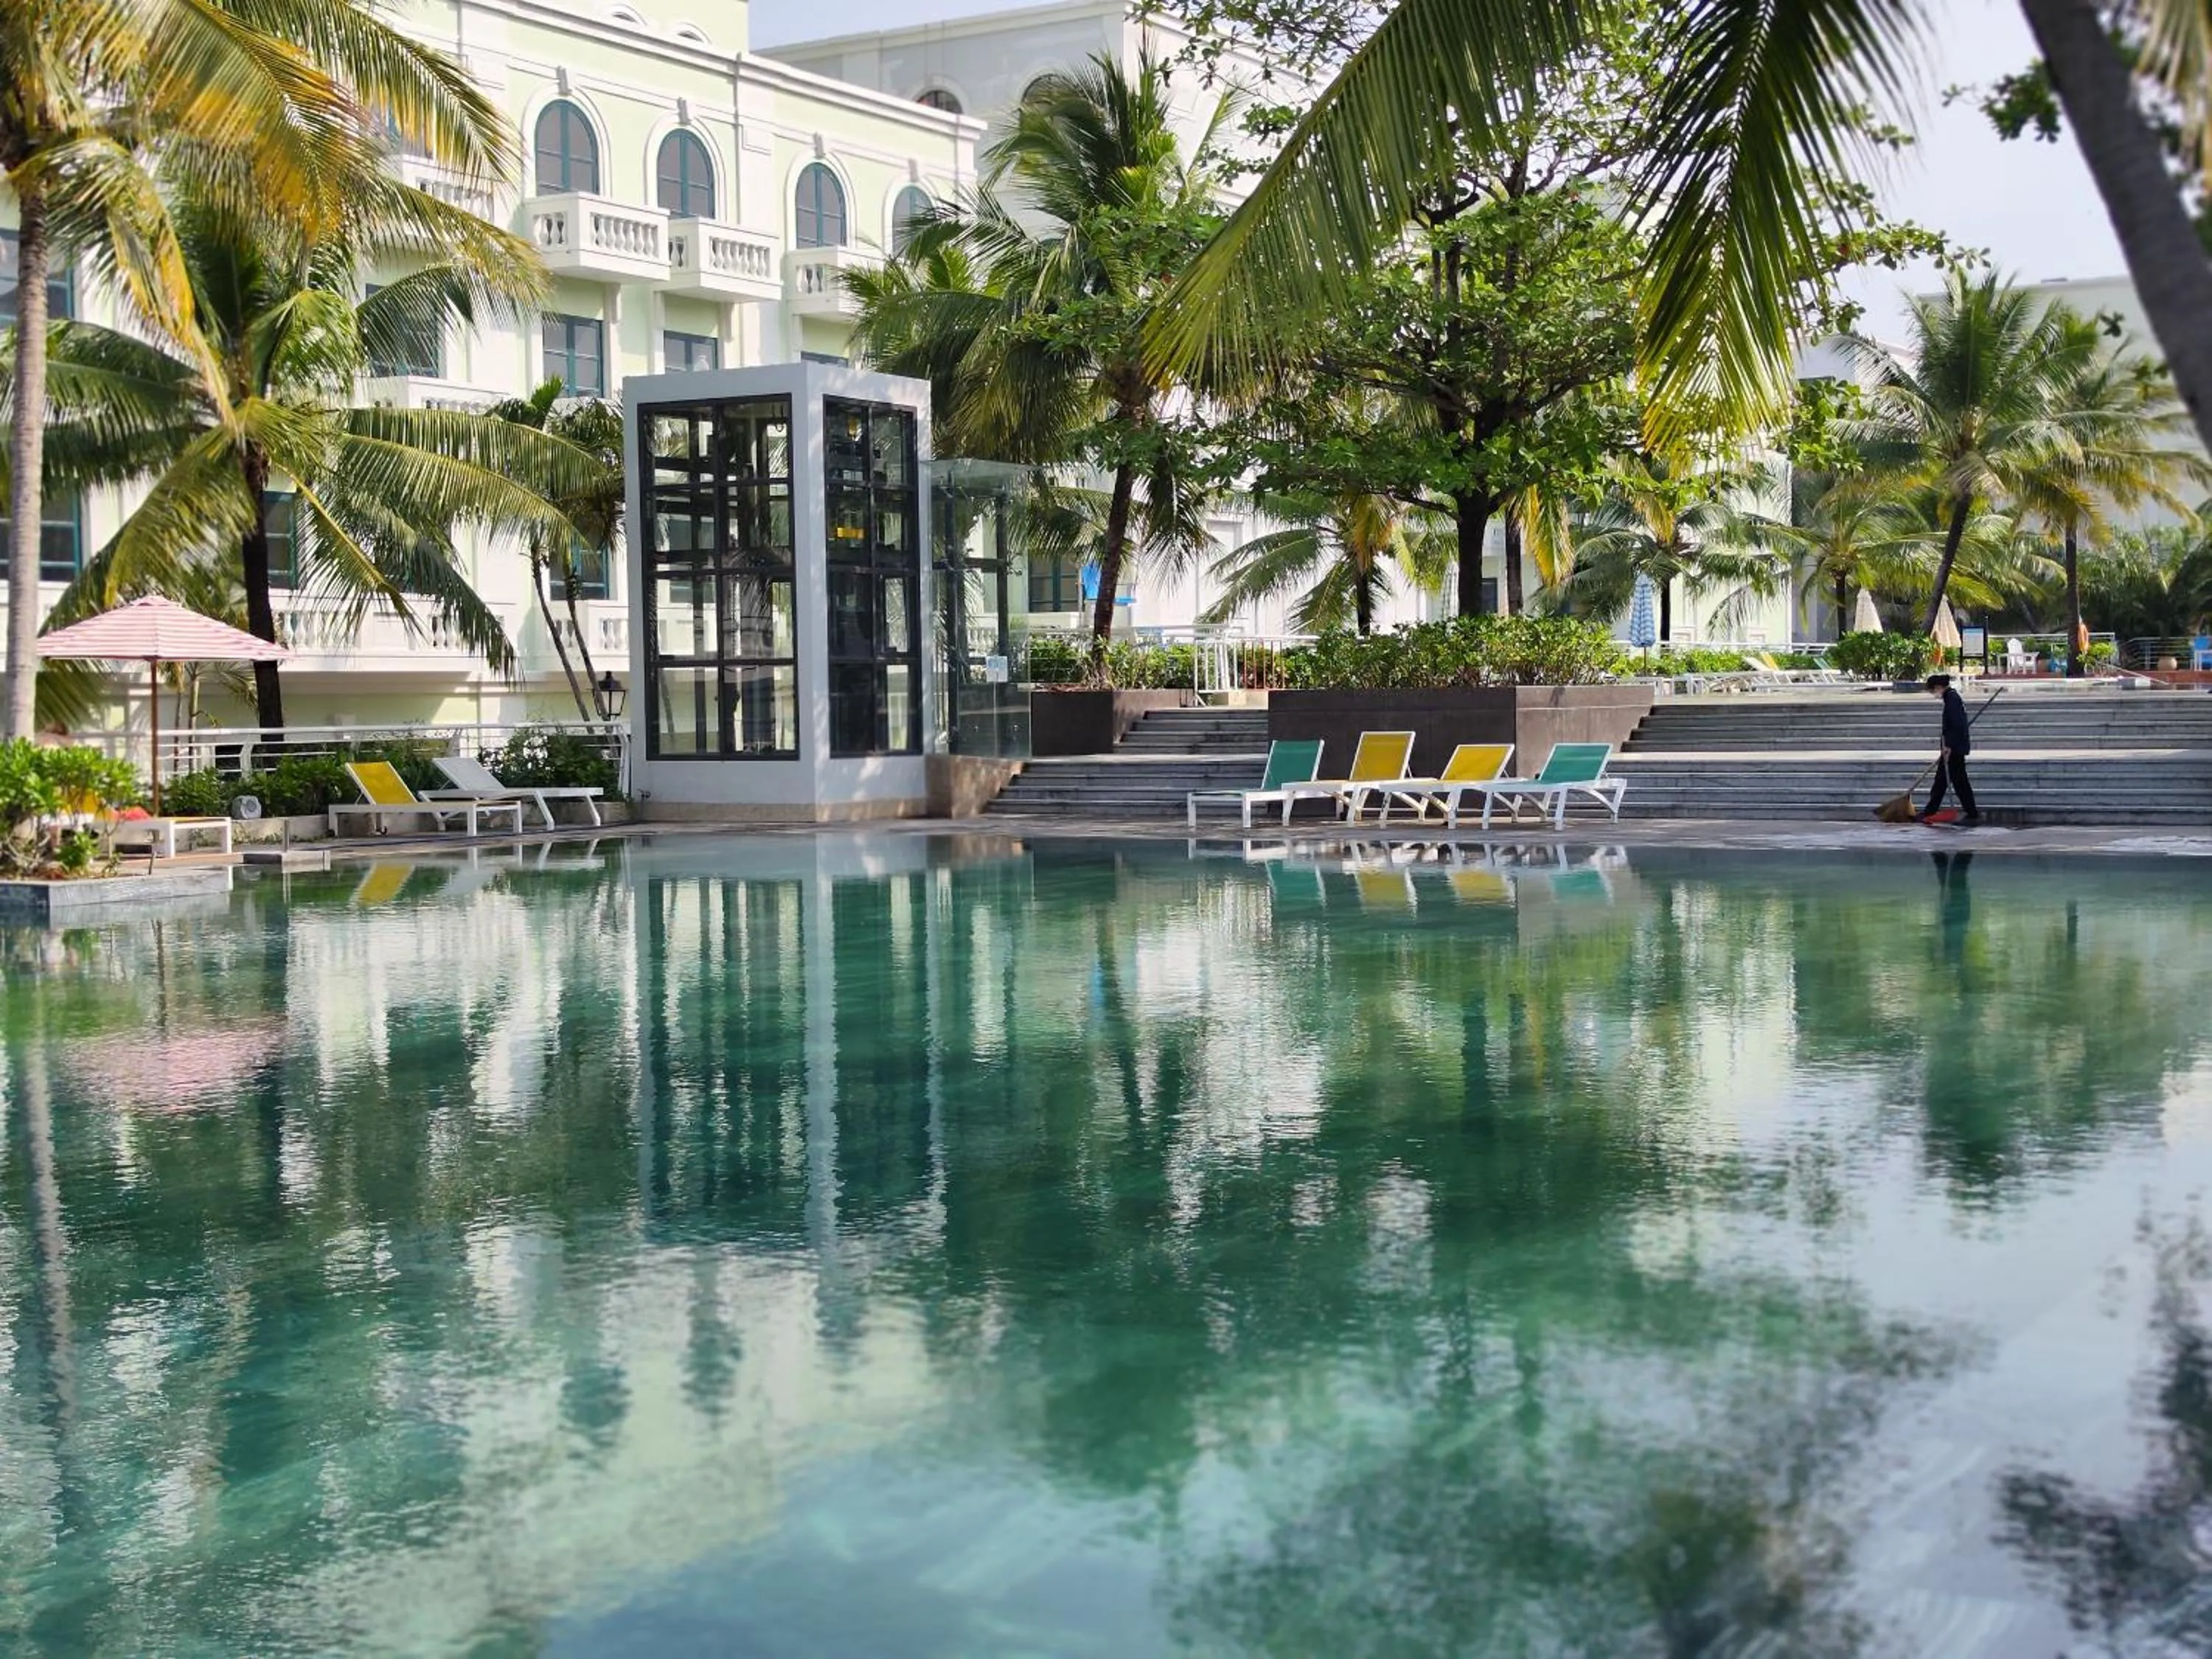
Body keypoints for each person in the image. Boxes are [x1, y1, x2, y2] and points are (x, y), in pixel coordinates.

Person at [1921, 672, 1980, 825]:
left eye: (1933, 691)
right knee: (1947, 781)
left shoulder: (1952, 699)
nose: (1934, 694)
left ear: (1939, 687)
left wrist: (1949, 745)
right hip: (1953, 747)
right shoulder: (1951, 698)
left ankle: (1971, 813)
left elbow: (1957, 725)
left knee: (1956, 782)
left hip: (1953, 748)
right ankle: (1932, 811)